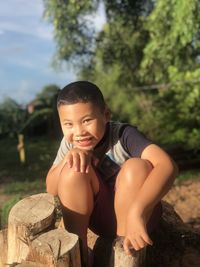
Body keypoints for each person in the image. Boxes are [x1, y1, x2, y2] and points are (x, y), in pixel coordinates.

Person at [46, 81, 178, 266]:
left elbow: (167, 165)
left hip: (137, 219)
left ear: (106, 114)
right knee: (71, 170)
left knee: (136, 167)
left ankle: (124, 253)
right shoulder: (70, 144)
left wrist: (137, 212)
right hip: (101, 219)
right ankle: (80, 251)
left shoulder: (123, 135)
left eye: (86, 121)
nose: (79, 132)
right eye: (68, 124)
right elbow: (52, 188)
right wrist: (69, 158)